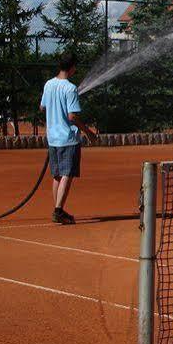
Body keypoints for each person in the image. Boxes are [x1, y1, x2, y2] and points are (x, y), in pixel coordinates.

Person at [40, 53, 98, 225]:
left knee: (57, 175)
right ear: (72, 67)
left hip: (53, 138)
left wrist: (54, 112)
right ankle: (58, 210)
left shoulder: (49, 84)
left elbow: (42, 107)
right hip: (68, 138)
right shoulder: (70, 88)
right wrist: (88, 132)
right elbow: (72, 116)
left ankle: (57, 209)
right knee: (67, 174)